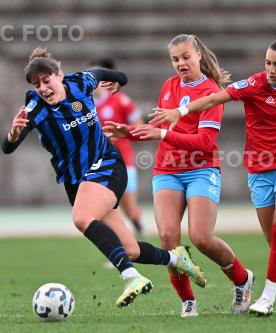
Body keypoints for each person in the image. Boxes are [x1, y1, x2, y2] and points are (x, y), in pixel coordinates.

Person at [1, 47, 205, 308]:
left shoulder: (81, 82)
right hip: (78, 183)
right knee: (130, 250)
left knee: (82, 218)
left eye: (46, 79)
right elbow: (7, 148)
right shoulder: (35, 108)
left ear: (59, 75)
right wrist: (13, 134)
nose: (43, 87)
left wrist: (116, 81)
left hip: (107, 164)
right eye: (37, 83)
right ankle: (177, 259)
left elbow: (117, 74)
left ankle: (130, 277)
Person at [149, 31, 276, 316]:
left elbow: (205, 137)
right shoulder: (252, 84)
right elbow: (216, 99)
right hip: (258, 169)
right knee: (168, 238)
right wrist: (179, 112)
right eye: (267, 63)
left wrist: (172, 122)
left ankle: (266, 298)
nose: (270, 70)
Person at [103, 34, 254, 317]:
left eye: (186, 57)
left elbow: (204, 142)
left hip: (201, 169)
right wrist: (129, 133)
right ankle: (188, 302)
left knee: (201, 237)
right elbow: (158, 130)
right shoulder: (169, 86)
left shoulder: (211, 92)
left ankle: (242, 280)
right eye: (175, 59)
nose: (180, 63)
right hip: (168, 170)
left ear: (198, 55)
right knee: (168, 238)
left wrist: (162, 133)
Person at [91, 58, 145, 237]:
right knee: (105, 209)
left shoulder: (120, 100)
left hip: (123, 161)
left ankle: (138, 229)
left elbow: (139, 124)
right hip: (98, 165)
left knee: (129, 209)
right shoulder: (84, 105)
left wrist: (121, 134)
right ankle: (117, 248)